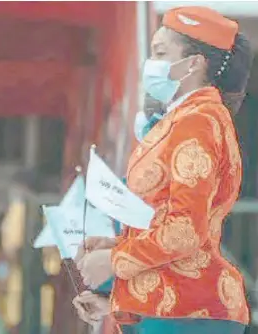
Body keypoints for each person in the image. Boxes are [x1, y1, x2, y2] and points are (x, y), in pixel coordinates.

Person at [73, 6, 254, 334]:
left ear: (193, 64)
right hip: (177, 309)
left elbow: (185, 230)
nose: (150, 64)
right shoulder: (186, 119)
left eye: (160, 52)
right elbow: (170, 226)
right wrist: (116, 269)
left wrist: (113, 262)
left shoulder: (197, 122)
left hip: (192, 313)